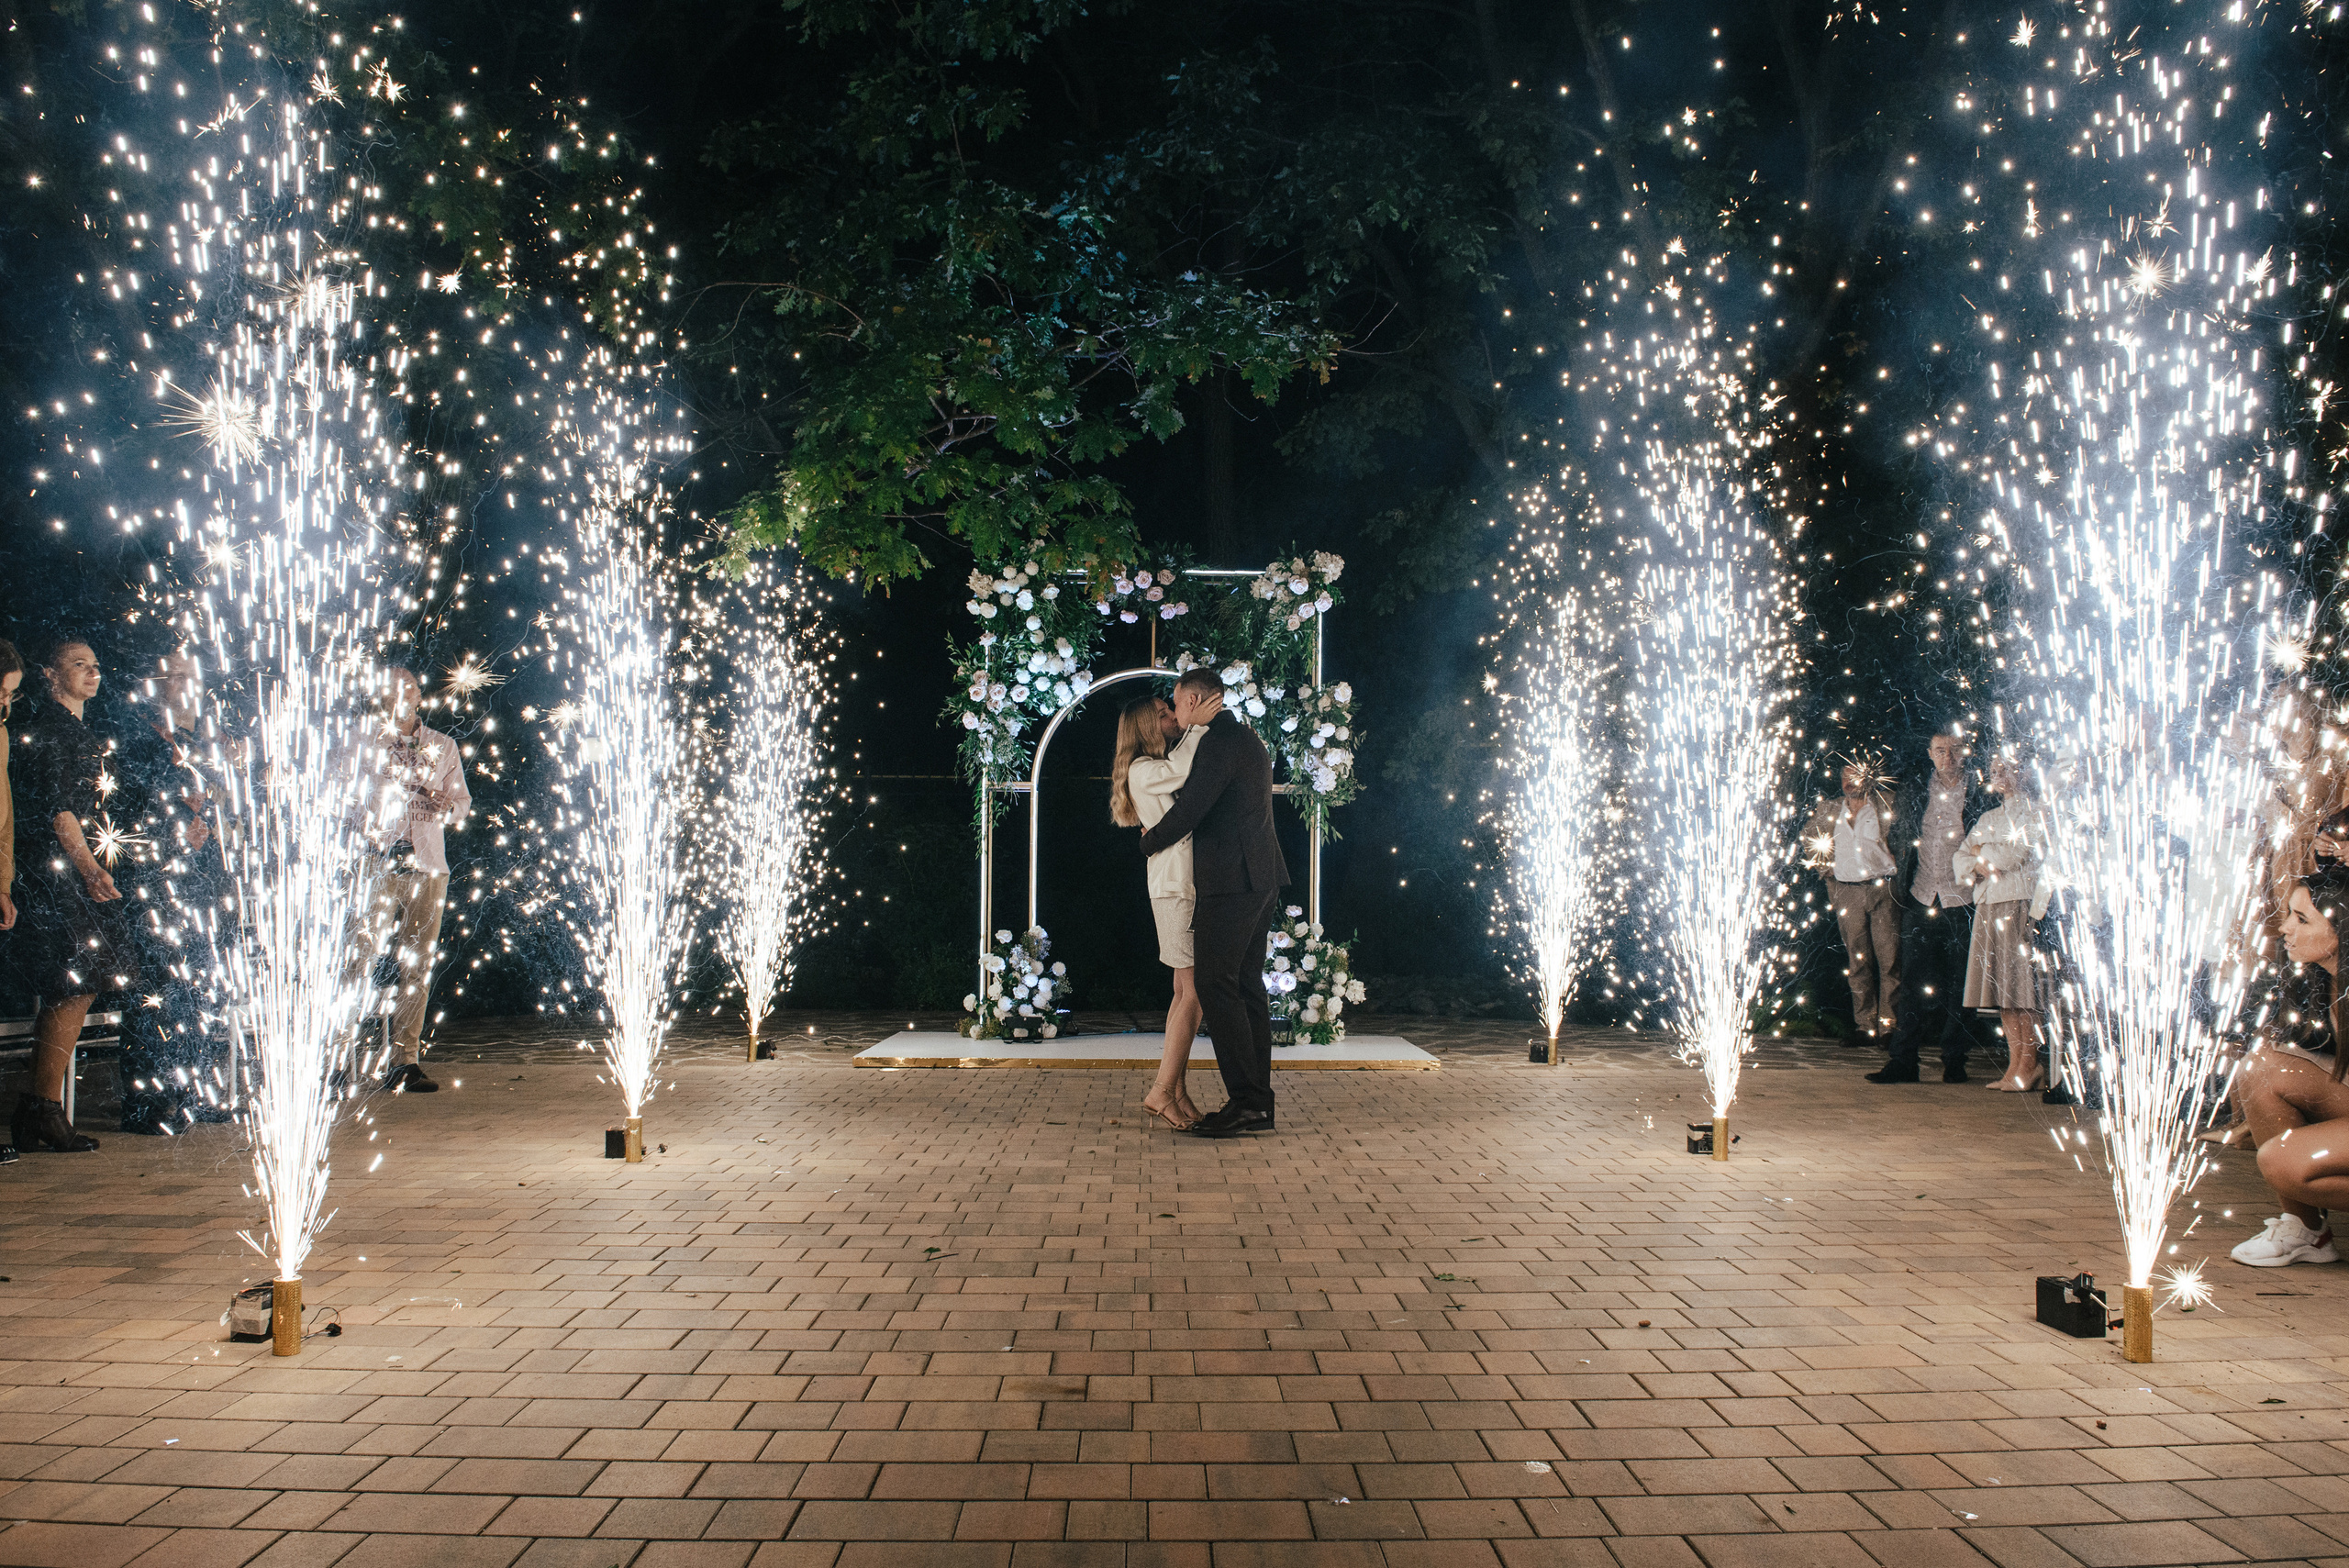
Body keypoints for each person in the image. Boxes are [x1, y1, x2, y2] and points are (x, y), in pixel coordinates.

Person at [1135, 666, 1289, 1139]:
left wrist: (1147, 842)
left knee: (1215, 982)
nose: (1177, 715)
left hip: (1234, 878)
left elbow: (1191, 807)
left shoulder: (1218, 740)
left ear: (1195, 700)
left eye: (1177, 704)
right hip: (1257, 875)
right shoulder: (1238, 737)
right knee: (1244, 985)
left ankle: (1247, 1101)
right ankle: (1256, 1103)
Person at [6, 640, 128, 1152]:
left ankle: (41, 1107)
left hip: (63, 876)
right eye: (79, 664)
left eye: (97, 665)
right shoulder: (56, 733)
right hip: (55, 879)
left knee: (79, 984)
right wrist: (90, 869)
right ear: (50, 675)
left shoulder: (80, 732)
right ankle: (41, 1108)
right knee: (73, 982)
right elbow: (61, 813)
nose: (93, 673)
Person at [114, 651, 232, 1134]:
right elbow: (130, 802)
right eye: (175, 675)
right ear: (157, 683)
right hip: (157, 879)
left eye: (192, 675)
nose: (186, 683)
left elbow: (229, 800)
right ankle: (146, 1100)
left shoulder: (213, 741)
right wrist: (177, 821)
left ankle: (193, 1090)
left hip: (205, 879)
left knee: (199, 985)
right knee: (156, 990)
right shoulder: (142, 738)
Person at [351, 665, 470, 1095]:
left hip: (429, 865)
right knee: (358, 961)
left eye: (410, 687)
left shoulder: (442, 744)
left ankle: (406, 1061)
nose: (402, 694)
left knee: (416, 966)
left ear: (420, 696)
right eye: (394, 688)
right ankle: (341, 1060)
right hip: (377, 865)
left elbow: (463, 803)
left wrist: (447, 808)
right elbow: (343, 800)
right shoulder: (364, 743)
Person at [2227, 865, 2349, 1267]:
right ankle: (2306, 1231)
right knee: (2260, 1067)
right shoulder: (2318, 977)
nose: (2286, 929)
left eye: (2302, 919)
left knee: (2283, 1160)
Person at [1869, 730, 1990, 1084]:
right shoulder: (1917, 791)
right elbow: (1902, 834)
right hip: (1922, 894)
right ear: (1930, 753)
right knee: (1911, 982)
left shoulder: (1977, 792)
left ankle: (1955, 1060)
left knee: (1960, 983)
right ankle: (1904, 1060)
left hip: (1963, 898)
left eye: (1954, 750)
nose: (1947, 757)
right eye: (1940, 750)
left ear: (1964, 753)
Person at [1111, 694, 1205, 1130]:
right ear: (1147, 727)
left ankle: (1177, 1089)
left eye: (1173, 711)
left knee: (1183, 992)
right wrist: (1200, 725)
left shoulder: (1147, 770)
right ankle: (1162, 1091)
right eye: (1164, 715)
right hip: (1174, 888)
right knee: (1194, 993)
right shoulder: (1144, 770)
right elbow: (1182, 768)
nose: (1173, 718)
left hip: (1176, 886)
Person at [1954, 751, 2055, 1092]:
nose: (1997, 774)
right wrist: (1978, 859)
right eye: (1994, 768)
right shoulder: (1988, 815)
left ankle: (2030, 1065)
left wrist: (1979, 856)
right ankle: (2015, 1067)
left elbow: (2012, 854)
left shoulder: (2033, 811)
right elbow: (1960, 855)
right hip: (1989, 903)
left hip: (2018, 903)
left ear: (2024, 772)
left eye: (2006, 768)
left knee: (2022, 991)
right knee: (2003, 993)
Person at [1804, 761, 1904, 1040]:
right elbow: (1809, 837)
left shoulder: (1887, 805)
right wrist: (1826, 869)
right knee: (1857, 961)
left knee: (1890, 960)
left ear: (1869, 778)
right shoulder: (1830, 809)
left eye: (1855, 777)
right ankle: (1865, 1025)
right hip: (1847, 890)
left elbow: (1906, 837)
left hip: (1882, 888)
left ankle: (1889, 1026)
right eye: (1845, 777)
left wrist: (1900, 860)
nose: (1849, 783)